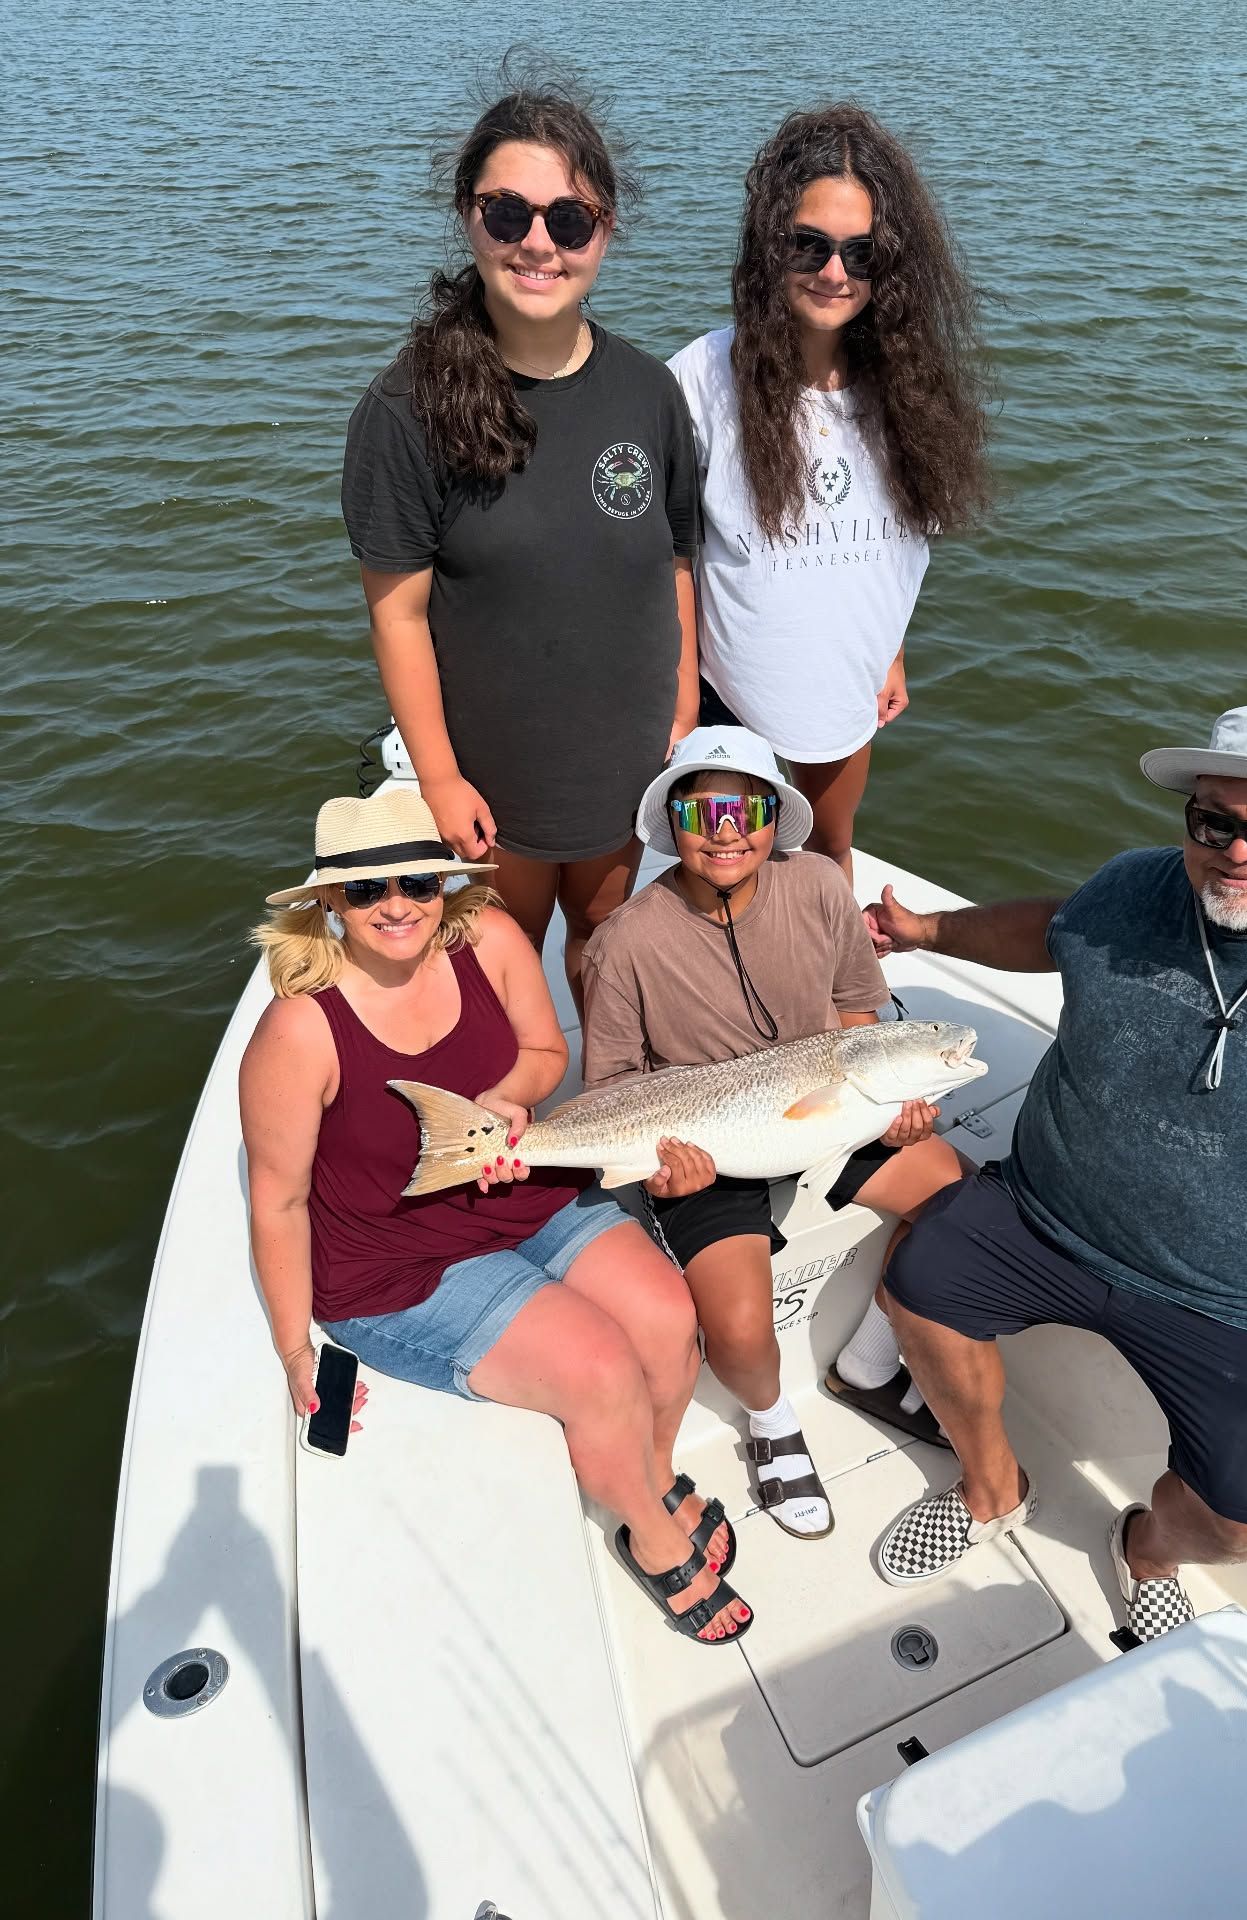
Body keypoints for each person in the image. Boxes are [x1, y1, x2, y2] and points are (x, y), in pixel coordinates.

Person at [863, 704, 1247, 1642]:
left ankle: (1148, 1549)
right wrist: (927, 930)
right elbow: (1056, 930)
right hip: (1044, 1218)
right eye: (1214, 821)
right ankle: (990, 1486)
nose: (1236, 850)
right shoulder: (1136, 889)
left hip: (1237, 1306)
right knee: (918, 1283)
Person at [238, 786, 750, 1645]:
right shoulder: (299, 1032)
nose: (397, 905)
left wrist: (510, 1101)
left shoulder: (492, 937)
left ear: (444, 883)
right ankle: (655, 1538)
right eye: (367, 891)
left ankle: (650, 1477)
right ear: (330, 901)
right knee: (599, 1368)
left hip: (523, 1192)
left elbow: (549, 1054)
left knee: (667, 1319)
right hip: (398, 1263)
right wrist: (296, 1349)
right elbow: (278, 1198)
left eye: (417, 883)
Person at [341, 71, 700, 1003]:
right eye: (509, 214)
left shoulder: (648, 392)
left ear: (604, 234)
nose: (539, 243)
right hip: (495, 778)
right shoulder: (405, 407)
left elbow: (674, 554)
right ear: (470, 219)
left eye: (569, 220)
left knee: (605, 945)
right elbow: (399, 616)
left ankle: (598, 1116)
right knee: (495, 967)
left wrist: (683, 699)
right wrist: (441, 778)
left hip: (625, 761)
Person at [581, 727, 964, 1538]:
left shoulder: (821, 884)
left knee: (961, 1205)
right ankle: (769, 1421)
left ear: (773, 817)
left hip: (835, 1107)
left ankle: (867, 1361)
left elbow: (860, 1014)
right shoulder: (623, 942)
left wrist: (889, 1108)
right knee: (745, 1332)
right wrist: (661, 1172)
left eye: (747, 806)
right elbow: (612, 1091)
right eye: (705, 808)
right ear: (674, 820)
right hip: (705, 1148)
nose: (727, 828)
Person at [667, 104, 989, 879]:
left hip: (846, 699)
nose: (834, 271)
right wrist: (680, 701)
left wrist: (891, 653)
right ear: (767, 245)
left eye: (862, 252)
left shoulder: (915, 393)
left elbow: (905, 540)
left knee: (830, 854)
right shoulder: (700, 379)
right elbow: (671, 556)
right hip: (728, 697)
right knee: (724, 878)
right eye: (807, 244)